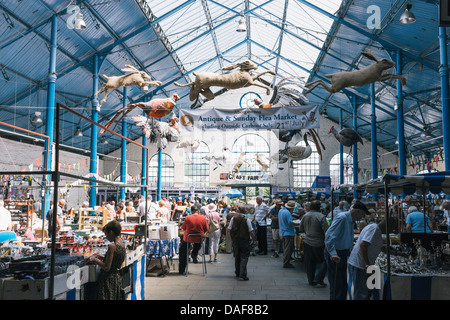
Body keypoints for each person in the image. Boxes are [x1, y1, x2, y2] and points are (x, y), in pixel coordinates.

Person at [324, 199, 370, 300]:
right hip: (336, 254)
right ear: (357, 211)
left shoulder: (350, 221)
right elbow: (329, 236)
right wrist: (333, 253)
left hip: (343, 253)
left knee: (342, 283)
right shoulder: (342, 218)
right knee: (336, 284)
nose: (362, 217)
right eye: (362, 214)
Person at [347, 217, 394, 300]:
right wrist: (367, 265)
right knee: (361, 294)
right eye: (392, 228)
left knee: (367, 293)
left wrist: (397, 253)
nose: (391, 231)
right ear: (387, 226)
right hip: (360, 265)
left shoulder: (376, 229)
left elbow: (380, 248)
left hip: (365, 266)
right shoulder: (374, 229)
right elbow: (363, 245)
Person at [87, 220, 126, 300]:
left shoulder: (112, 246)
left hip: (108, 280)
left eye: (106, 234)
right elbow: (114, 260)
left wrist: (94, 259)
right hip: (116, 278)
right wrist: (100, 256)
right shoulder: (122, 245)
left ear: (111, 232)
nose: (106, 237)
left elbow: (106, 267)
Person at [299, 200, 329, 287]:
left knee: (309, 262)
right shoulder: (321, 217)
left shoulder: (305, 215)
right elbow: (326, 231)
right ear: (319, 207)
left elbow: (301, 228)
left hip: (307, 241)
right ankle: (319, 278)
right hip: (318, 242)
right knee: (322, 261)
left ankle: (311, 280)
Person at [178, 205, 209, 275]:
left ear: (191, 211)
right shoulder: (202, 218)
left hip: (189, 238)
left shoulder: (188, 217)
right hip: (199, 238)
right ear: (197, 211)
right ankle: (194, 253)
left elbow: (183, 227)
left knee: (183, 251)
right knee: (198, 242)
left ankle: (181, 270)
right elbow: (206, 229)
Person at [227, 206, 255, 281]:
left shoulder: (234, 218)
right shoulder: (246, 219)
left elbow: (228, 229)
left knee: (237, 256)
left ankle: (237, 271)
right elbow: (251, 231)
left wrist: (232, 239)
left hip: (236, 240)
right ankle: (243, 274)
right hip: (244, 240)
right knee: (244, 256)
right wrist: (253, 239)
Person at [278, 200, 301, 268]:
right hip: (288, 232)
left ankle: (286, 261)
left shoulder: (281, 211)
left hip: (282, 232)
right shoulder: (287, 212)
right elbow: (290, 222)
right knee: (288, 249)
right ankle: (286, 263)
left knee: (285, 248)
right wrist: (298, 223)